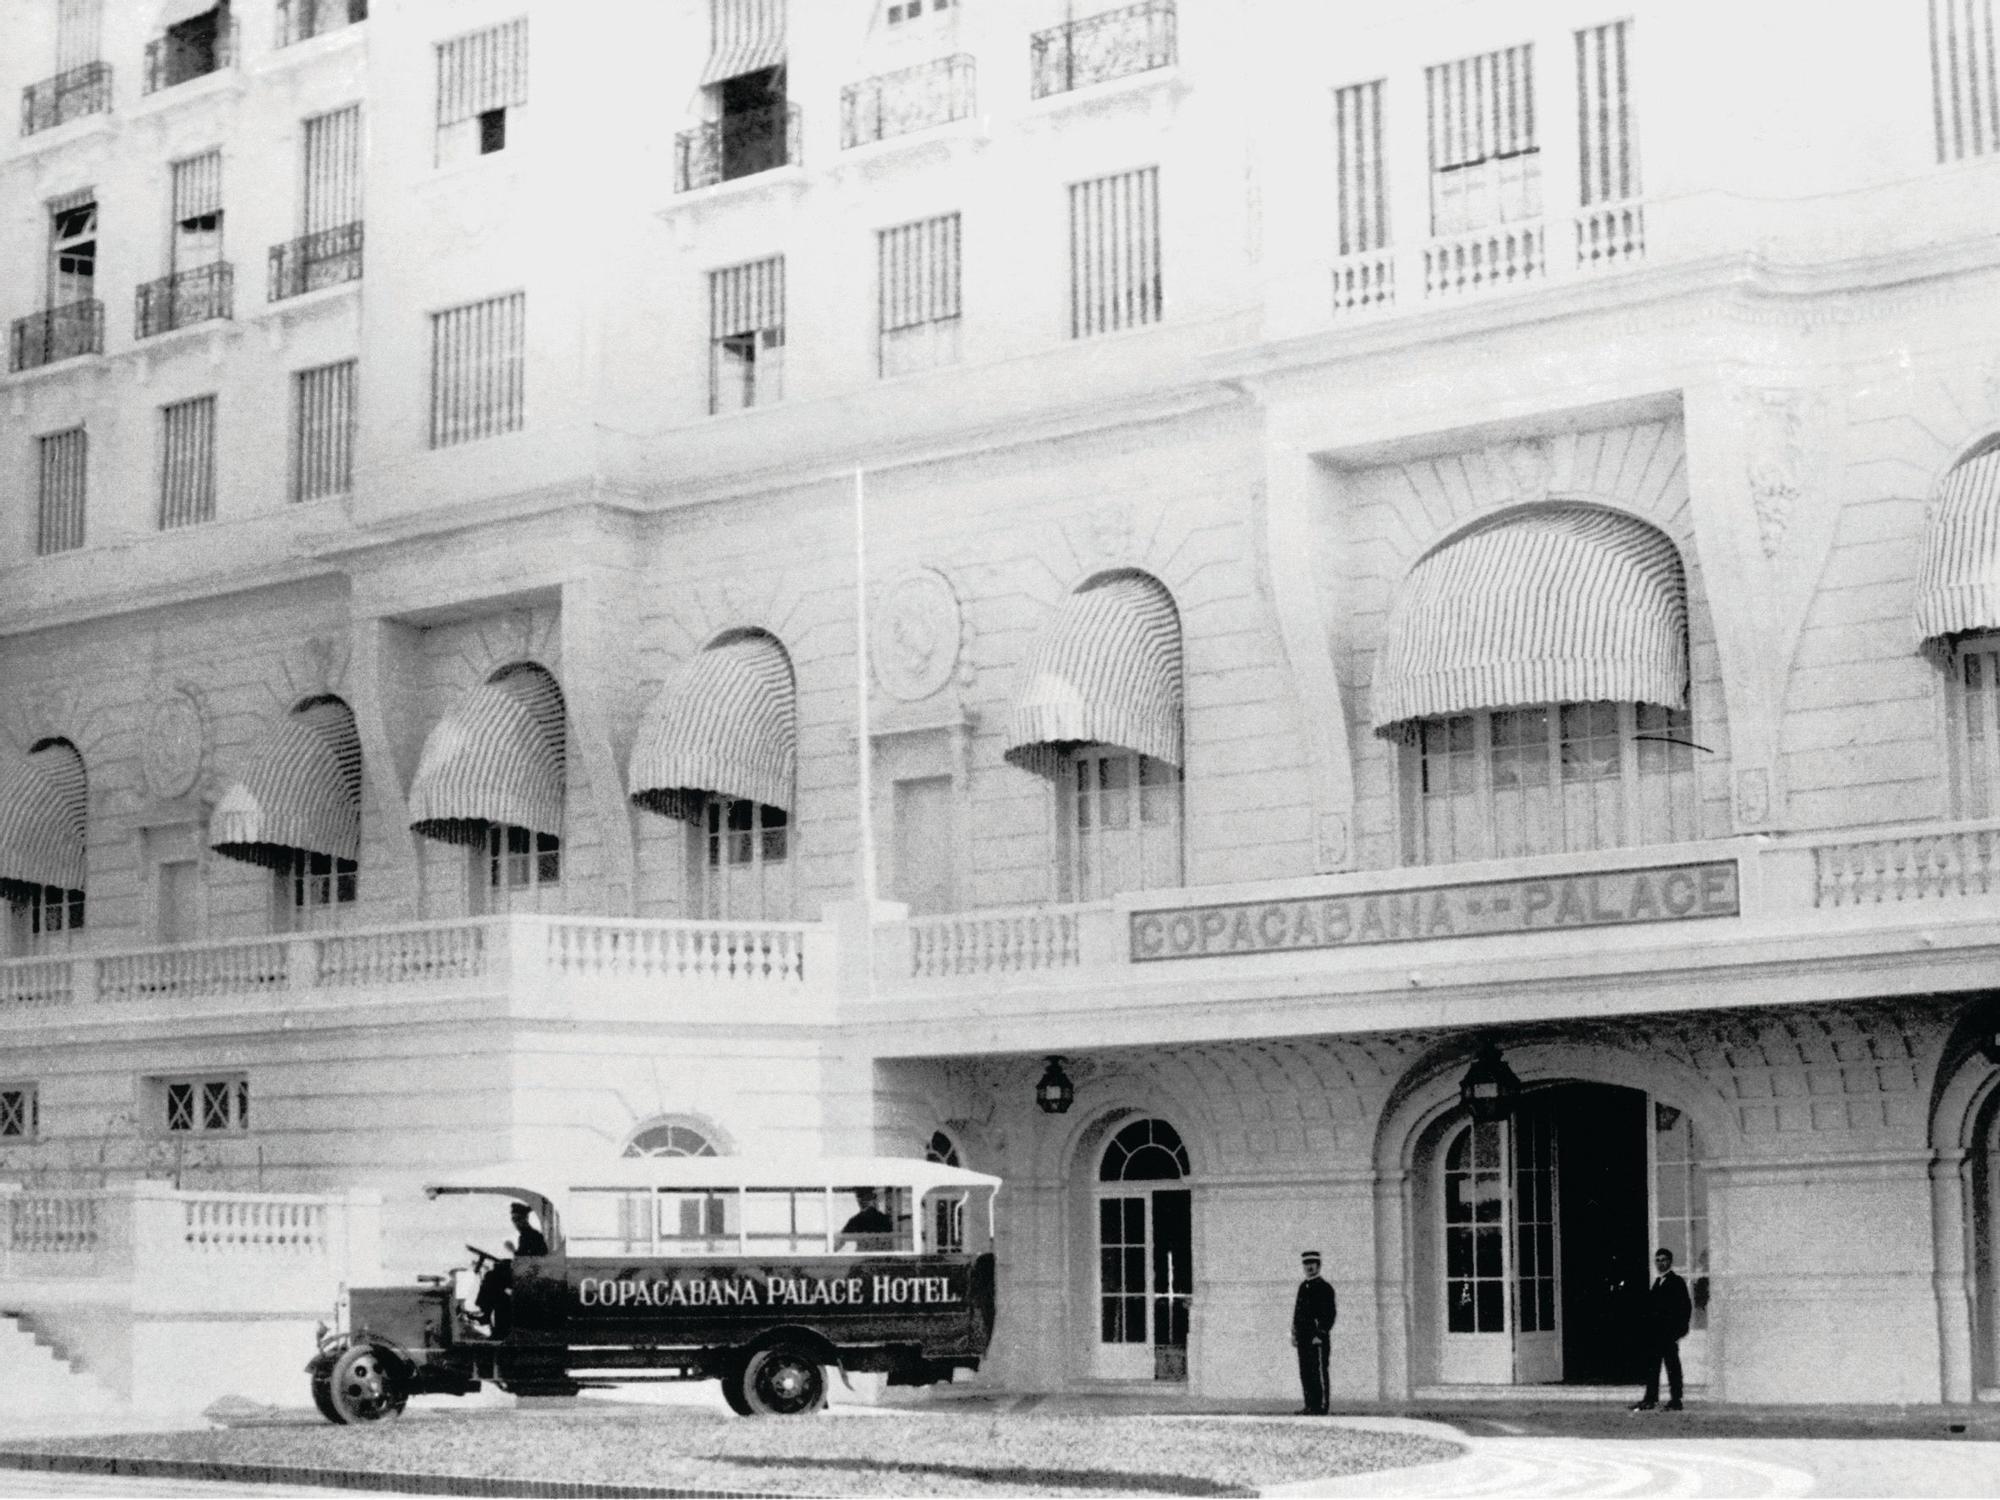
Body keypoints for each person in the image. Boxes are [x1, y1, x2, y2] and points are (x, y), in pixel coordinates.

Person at [1631, 1246, 1692, 1412]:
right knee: (1652, 1367)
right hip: (1655, 1334)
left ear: (1670, 1262)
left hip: (1668, 1334)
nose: (1660, 1264)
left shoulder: (1677, 1282)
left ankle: (1676, 1400)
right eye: (1657, 1261)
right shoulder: (1657, 1282)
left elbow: (1685, 1308)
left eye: (1664, 1260)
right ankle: (1650, 1398)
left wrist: (1679, 1331)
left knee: (1673, 1367)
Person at [474, 1202, 549, 1336]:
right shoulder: (526, 1235)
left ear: (525, 1219)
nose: (516, 1223)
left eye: (518, 1219)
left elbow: (526, 1261)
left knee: (492, 1276)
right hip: (526, 1275)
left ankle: (484, 1313)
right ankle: (498, 1327)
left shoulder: (533, 1236)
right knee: (496, 1287)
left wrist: (511, 1251)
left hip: (530, 1277)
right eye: (513, 1220)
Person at [1290, 1250, 1338, 1415]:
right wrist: (1294, 1333)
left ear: (1318, 1265)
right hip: (1303, 1337)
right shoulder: (1303, 1287)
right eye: (1306, 1263)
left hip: (1317, 1338)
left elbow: (1329, 1314)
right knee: (1305, 1371)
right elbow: (1297, 1312)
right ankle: (1310, 1405)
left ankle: (1321, 1406)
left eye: (1312, 1263)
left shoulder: (1325, 1288)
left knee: (1318, 1371)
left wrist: (1320, 1334)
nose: (1309, 1267)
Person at [838, 1187, 895, 1251]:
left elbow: (839, 1242)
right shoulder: (884, 1219)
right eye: (859, 1197)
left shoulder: (857, 1220)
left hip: (865, 1258)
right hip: (881, 1258)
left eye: (865, 1197)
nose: (861, 1200)